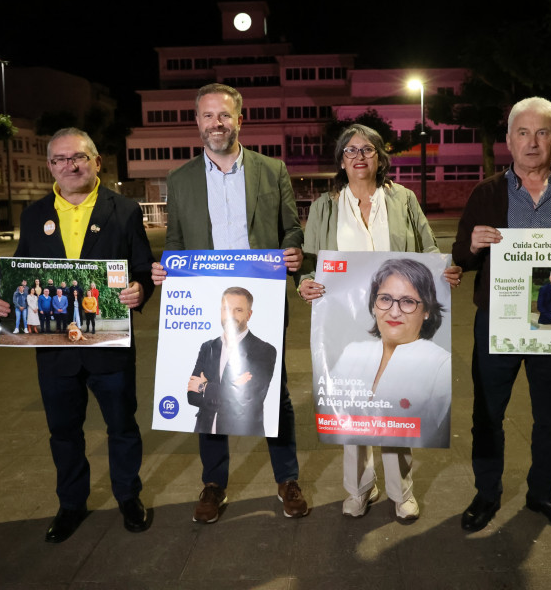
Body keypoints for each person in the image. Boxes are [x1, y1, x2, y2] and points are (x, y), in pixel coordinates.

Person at [0, 127, 155, 543]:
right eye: (59, 160)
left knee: (122, 425)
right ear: (49, 168)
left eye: (77, 157)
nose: (69, 166)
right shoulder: (34, 213)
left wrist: (139, 289)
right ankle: (71, 504)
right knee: (63, 430)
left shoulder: (125, 210)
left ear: (96, 161)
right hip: (55, 349)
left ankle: (128, 496)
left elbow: (144, 268)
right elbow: (22, 271)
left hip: (108, 342)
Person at [452, 97, 551, 535]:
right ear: (508, 141)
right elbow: (459, 257)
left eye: (542, 132)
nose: (532, 142)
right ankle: (487, 493)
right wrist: (474, 246)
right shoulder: (486, 193)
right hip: (496, 323)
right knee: (487, 414)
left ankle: (542, 493)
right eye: (522, 132)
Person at [151, 83, 308, 523]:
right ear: (197, 122)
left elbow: (291, 230)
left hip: (262, 296)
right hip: (207, 299)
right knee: (208, 384)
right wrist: (168, 267)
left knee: (276, 394)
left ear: (241, 119)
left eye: (224, 115)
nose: (216, 123)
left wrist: (293, 251)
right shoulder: (180, 180)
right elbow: (177, 243)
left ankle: (287, 479)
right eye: (207, 116)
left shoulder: (271, 170)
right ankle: (214, 484)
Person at [298, 124, 461, 522]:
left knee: (395, 404)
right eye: (350, 150)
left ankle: (400, 491)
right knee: (352, 402)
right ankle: (357, 490)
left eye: (367, 149)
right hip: (343, 318)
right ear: (341, 160)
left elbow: (427, 248)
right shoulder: (325, 205)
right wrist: (304, 281)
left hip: (396, 316)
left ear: (379, 157)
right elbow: (308, 259)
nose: (358, 156)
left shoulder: (402, 198)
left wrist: (445, 271)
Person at [188, 287, 277, 436]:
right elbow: (192, 396)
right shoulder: (208, 347)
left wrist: (204, 387)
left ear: (249, 315)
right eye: (227, 309)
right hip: (206, 431)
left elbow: (248, 397)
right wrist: (232, 386)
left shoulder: (264, 350)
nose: (231, 315)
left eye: (238, 310)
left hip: (243, 437)